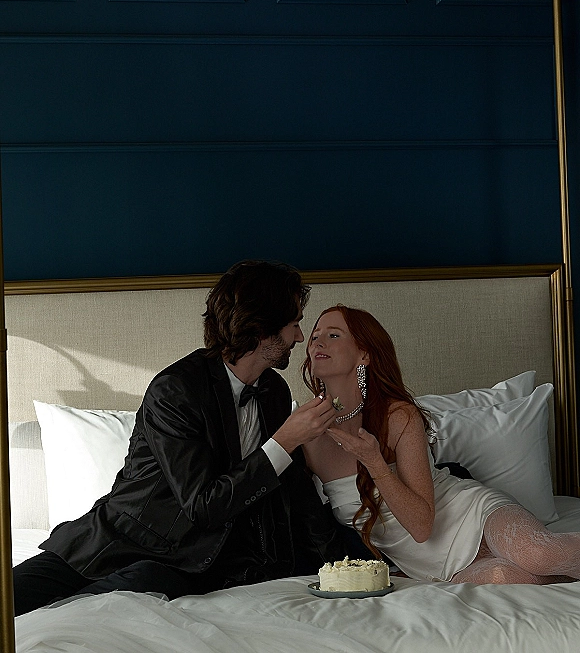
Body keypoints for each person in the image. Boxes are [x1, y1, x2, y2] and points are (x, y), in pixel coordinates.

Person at [13, 260, 344, 616]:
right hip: (121, 538)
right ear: (260, 328)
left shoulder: (273, 392)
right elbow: (203, 505)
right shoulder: (176, 390)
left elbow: (294, 488)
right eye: (294, 324)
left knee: (93, 611)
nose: (299, 336)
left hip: (184, 563)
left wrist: (343, 564)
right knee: (11, 595)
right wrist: (283, 442)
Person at [301, 304, 580, 585]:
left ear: (364, 353)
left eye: (334, 335)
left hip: (473, 515)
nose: (318, 342)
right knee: (516, 580)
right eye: (314, 336)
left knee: (539, 555)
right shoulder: (308, 435)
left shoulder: (398, 416)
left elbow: (421, 526)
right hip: (434, 567)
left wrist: (375, 462)